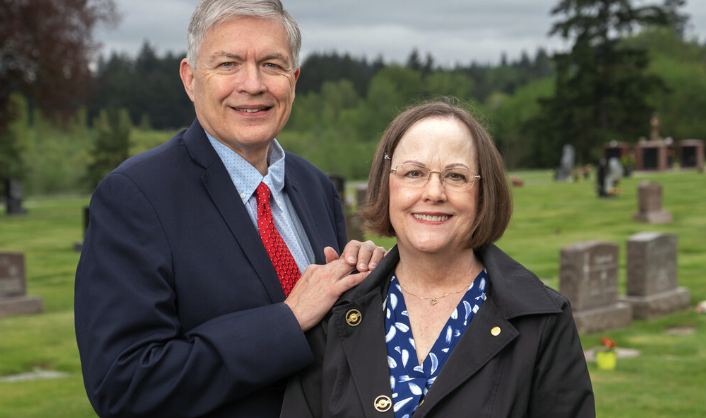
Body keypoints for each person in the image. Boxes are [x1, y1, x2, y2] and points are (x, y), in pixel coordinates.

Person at [74, 1, 385, 417]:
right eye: (228, 64)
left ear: (293, 80)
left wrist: (368, 286)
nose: (253, 84)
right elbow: (125, 384)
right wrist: (287, 320)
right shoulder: (135, 197)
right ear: (190, 79)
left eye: (272, 65)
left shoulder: (314, 186)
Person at [282, 100, 596, 417]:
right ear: (385, 185)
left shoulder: (542, 321)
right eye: (414, 172)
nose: (434, 192)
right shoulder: (335, 314)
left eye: (456, 176)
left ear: (484, 193)